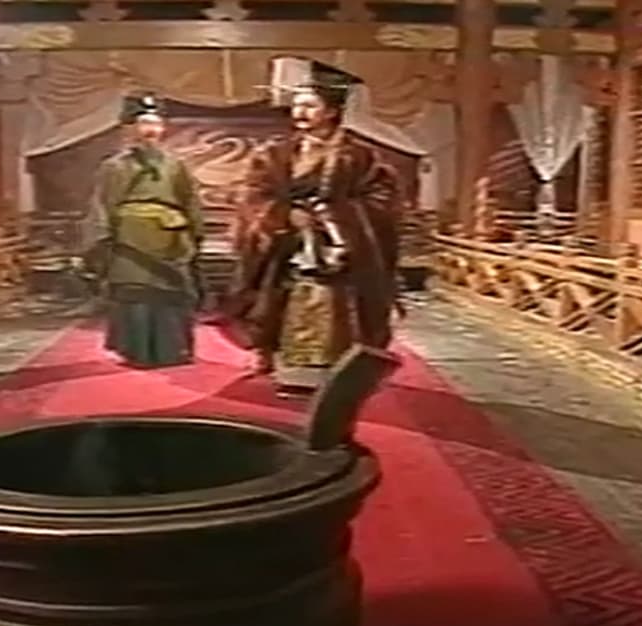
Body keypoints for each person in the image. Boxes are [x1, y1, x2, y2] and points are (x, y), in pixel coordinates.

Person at [226, 58, 402, 396]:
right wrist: (282, 216)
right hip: (287, 248)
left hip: (340, 252)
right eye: (297, 105)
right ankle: (287, 368)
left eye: (310, 105)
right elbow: (253, 193)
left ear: (332, 111)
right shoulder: (275, 154)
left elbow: (382, 200)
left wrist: (335, 218)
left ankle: (336, 374)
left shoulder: (360, 157)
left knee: (334, 309)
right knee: (278, 302)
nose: (300, 112)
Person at [82, 93, 205, 368]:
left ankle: (173, 350)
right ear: (130, 128)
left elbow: (190, 201)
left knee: (172, 295)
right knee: (135, 293)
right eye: (144, 123)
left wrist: (194, 234)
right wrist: (103, 240)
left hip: (171, 240)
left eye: (156, 123)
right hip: (130, 240)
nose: (151, 130)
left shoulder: (176, 165)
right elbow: (103, 204)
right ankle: (136, 350)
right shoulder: (114, 166)